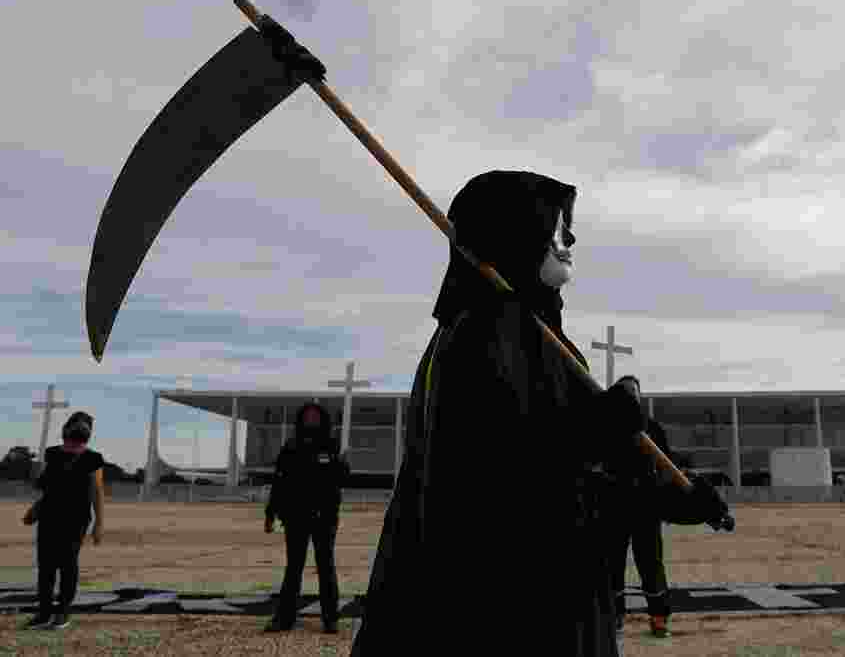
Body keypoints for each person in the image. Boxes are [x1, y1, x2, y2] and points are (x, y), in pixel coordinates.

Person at [350, 170, 683, 657]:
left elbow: (581, 462)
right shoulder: (482, 332)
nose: (568, 240)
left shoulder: (537, 331)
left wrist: (666, 484)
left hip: (555, 588)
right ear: (514, 231)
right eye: (553, 226)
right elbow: (487, 478)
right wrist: (597, 432)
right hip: (508, 609)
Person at [264, 402, 351, 634]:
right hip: (296, 518)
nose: (311, 419)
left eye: (315, 415)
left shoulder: (331, 446)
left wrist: (342, 463)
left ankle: (330, 619)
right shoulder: (291, 447)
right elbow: (279, 482)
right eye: (307, 415)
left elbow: (342, 479)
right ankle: (284, 619)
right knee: (293, 568)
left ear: (322, 419)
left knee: (326, 568)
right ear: (301, 419)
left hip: (324, 518)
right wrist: (270, 512)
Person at [603, 375, 673, 638]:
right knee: (612, 564)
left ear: (640, 396)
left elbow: (668, 466)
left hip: (646, 506)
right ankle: (615, 616)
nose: (631, 395)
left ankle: (658, 617)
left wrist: (666, 498)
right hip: (614, 506)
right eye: (626, 391)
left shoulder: (652, 429)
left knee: (651, 562)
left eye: (634, 391)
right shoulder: (606, 430)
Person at [21, 411, 105, 630]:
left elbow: (97, 491)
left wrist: (99, 523)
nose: (78, 429)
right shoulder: (52, 454)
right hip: (49, 515)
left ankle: (63, 613)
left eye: (84, 426)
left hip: (76, 519)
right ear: (66, 429)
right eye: (76, 424)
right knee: (46, 565)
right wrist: (36, 508)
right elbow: (48, 487)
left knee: (67, 564)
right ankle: (44, 613)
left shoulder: (92, 458)